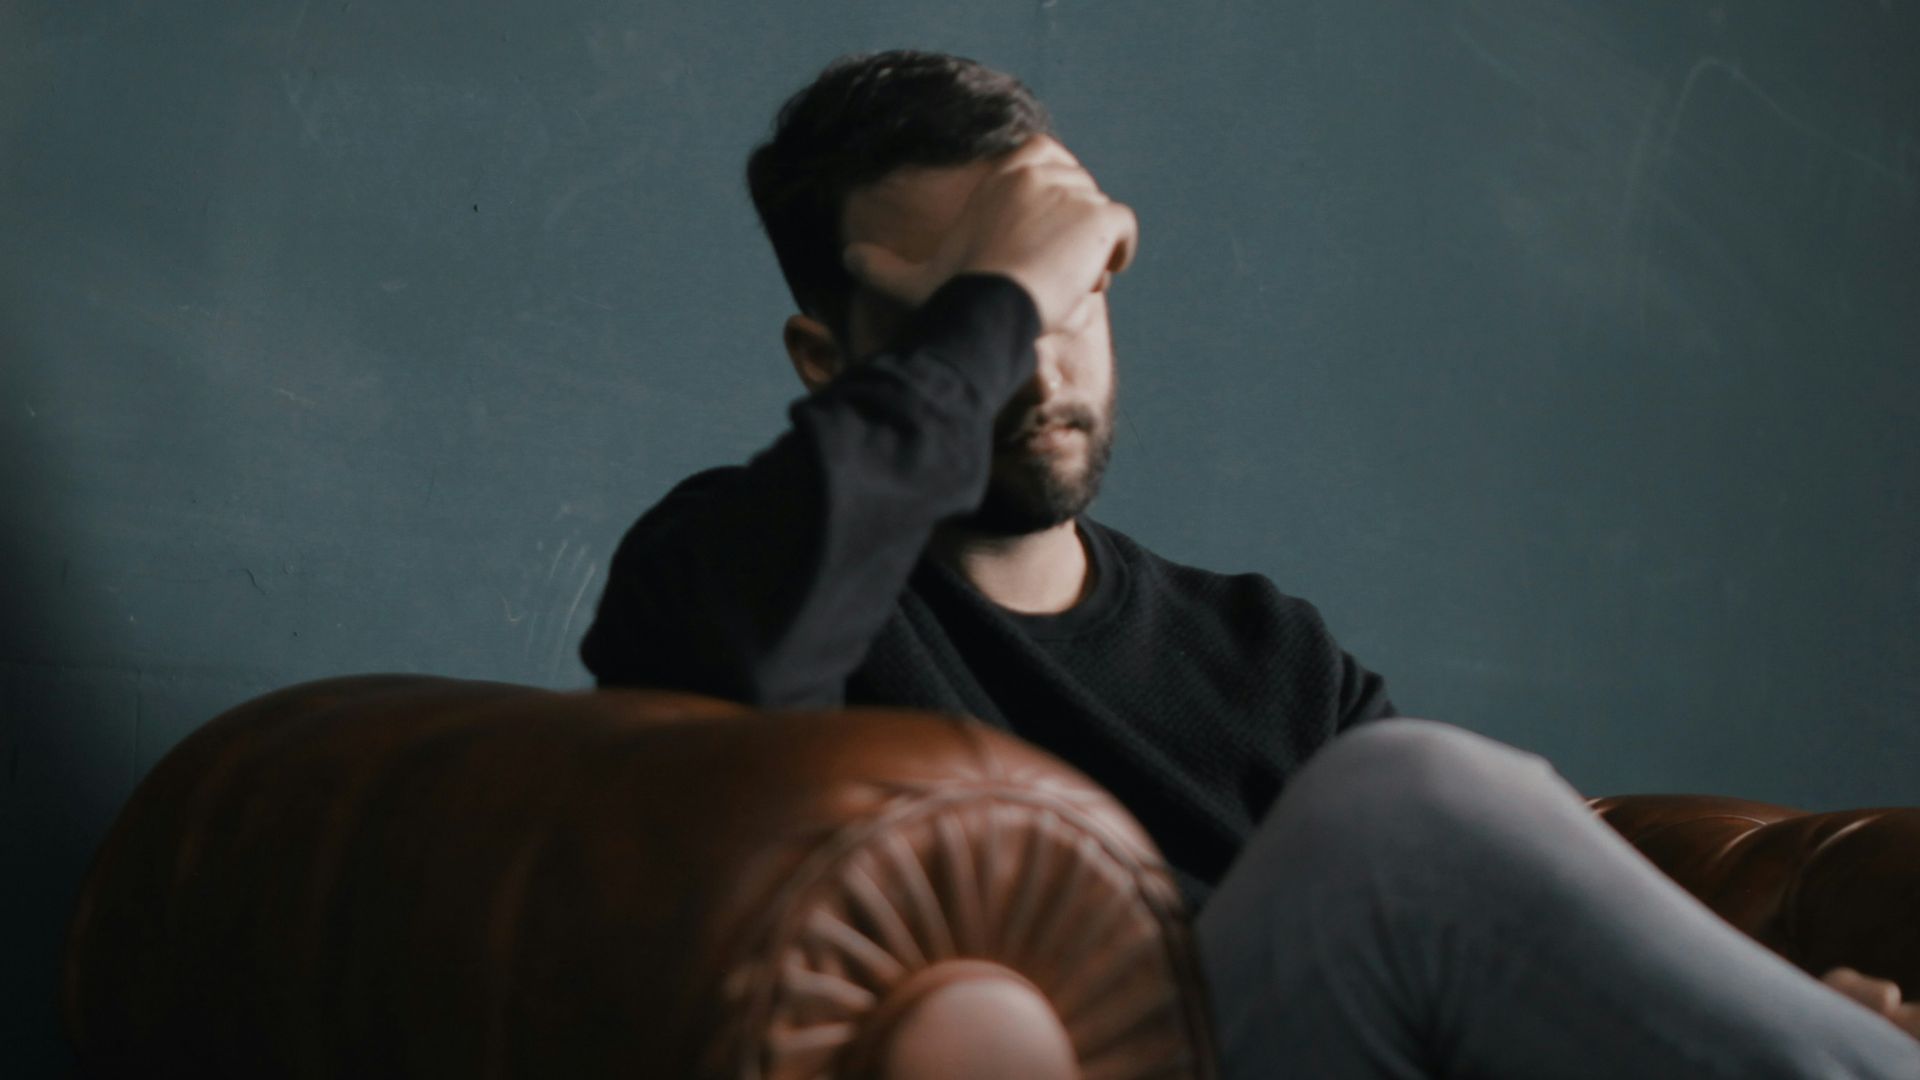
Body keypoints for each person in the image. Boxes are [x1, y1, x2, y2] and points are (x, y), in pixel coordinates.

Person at [579, 50, 1920, 1077]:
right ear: (831, 361)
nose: (1043, 357)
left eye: (1078, 291)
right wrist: (1006, 290)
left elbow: (1492, 943)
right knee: (1409, 798)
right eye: (984, 310)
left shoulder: (1267, 654)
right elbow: (742, 668)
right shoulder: (733, 564)